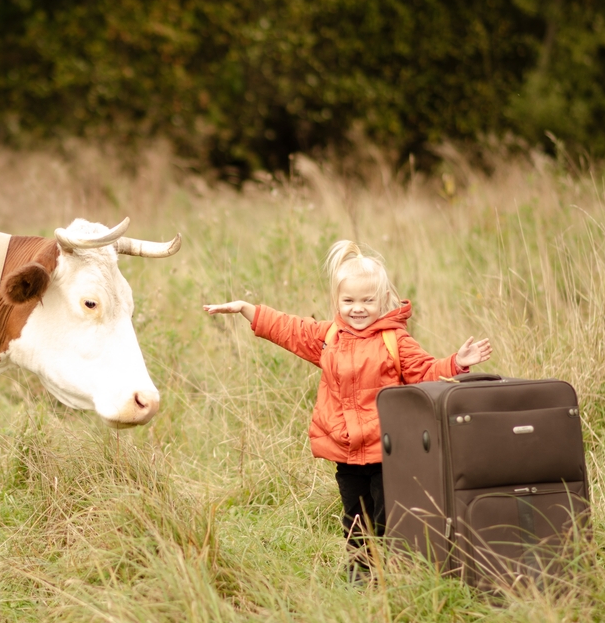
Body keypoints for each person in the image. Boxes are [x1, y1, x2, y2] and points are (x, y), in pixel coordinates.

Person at [203, 240, 492, 579]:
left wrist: (456, 362)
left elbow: (426, 371)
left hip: (388, 451)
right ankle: (360, 577)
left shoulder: (394, 340)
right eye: (349, 301)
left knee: (388, 518)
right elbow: (289, 330)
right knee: (355, 519)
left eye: (367, 301)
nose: (358, 309)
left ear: (383, 301)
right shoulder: (329, 337)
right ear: (337, 301)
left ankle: (396, 576)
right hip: (347, 452)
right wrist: (246, 309)